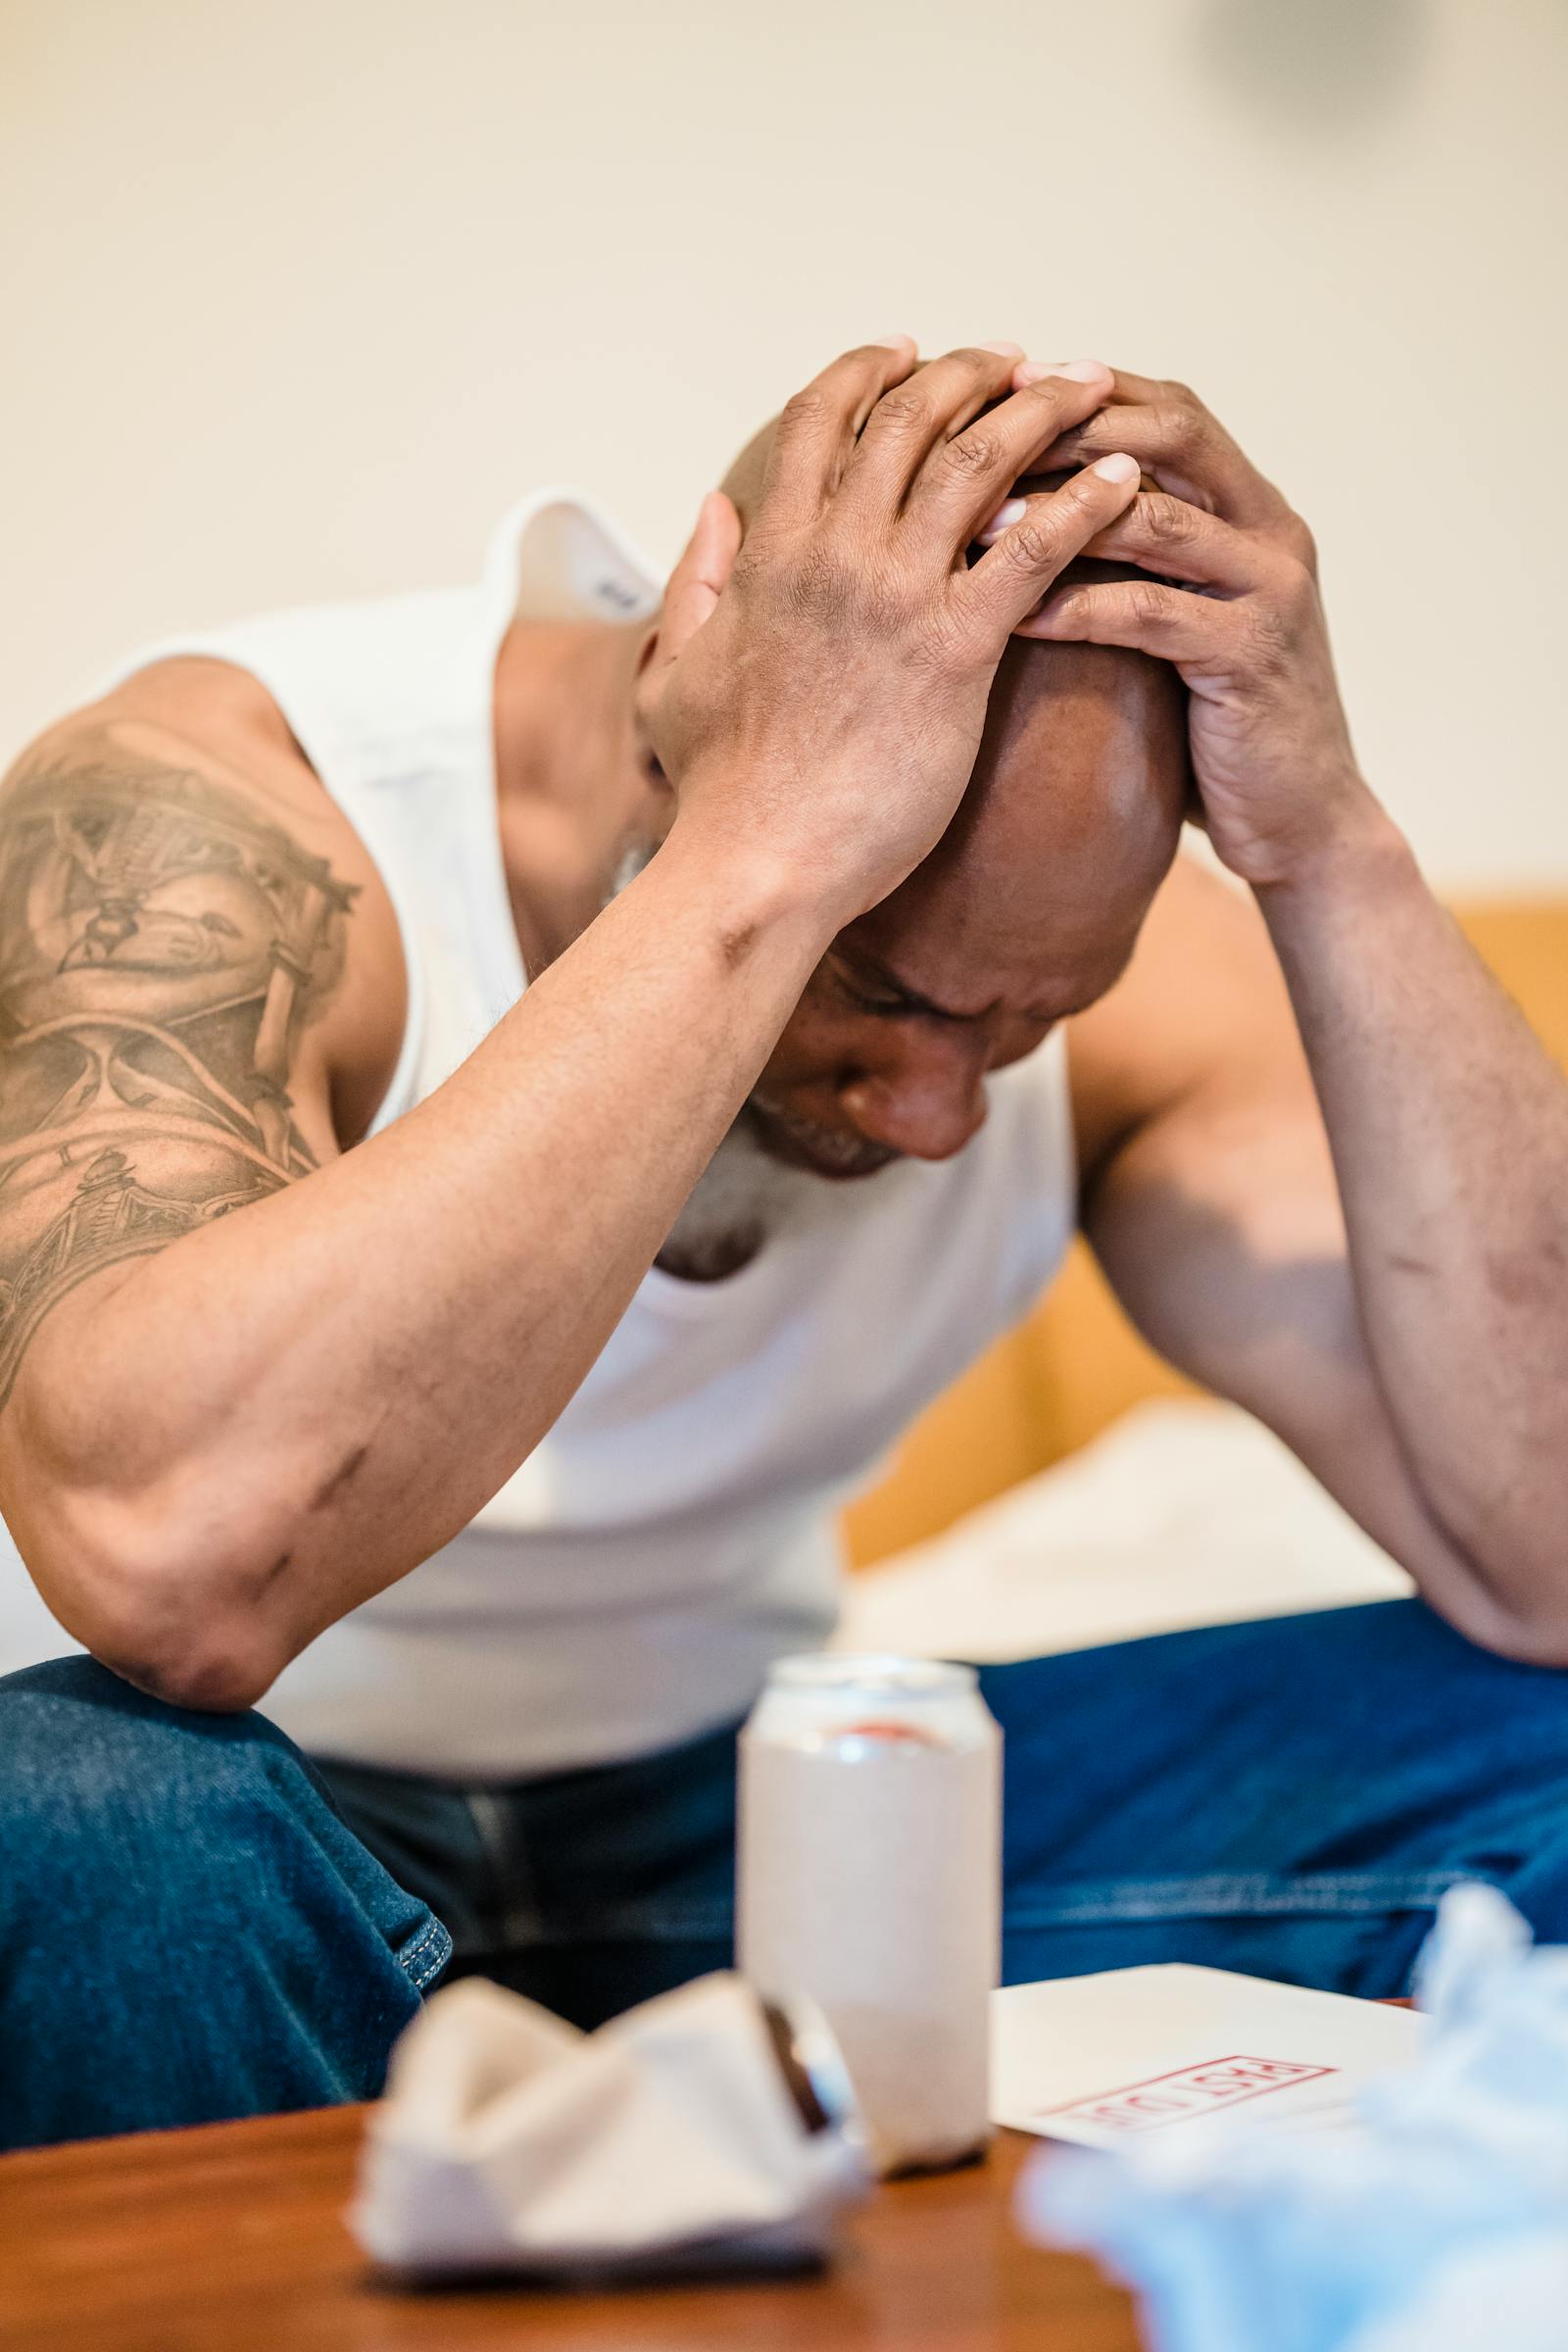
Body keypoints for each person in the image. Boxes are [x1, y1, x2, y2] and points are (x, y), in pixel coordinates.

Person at [3, 339, 1568, 2151]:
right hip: (270, 1838)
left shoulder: (1103, 960)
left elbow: (1540, 1557)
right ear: (683, 661)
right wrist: (773, 842)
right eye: (880, 991)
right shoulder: (225, 831)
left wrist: (1335, 846)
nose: (940, 1116)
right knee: (73, 1815)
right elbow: (168, 1567)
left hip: (754, 1827)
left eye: (1027, 1025)